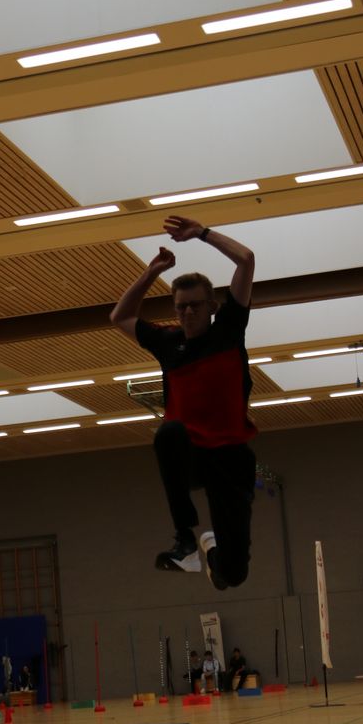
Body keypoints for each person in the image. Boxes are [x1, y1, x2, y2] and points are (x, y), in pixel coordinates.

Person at [110, 215, 257, 591]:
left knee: (233, 575)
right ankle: (186, 541)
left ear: (211, 306)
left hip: (231, 458)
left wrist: (202, 234)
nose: (187, 312)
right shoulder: (168, 342)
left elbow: (245, 259)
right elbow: (120, 316)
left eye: (195, 305)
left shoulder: (228, 330)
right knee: (168, 433)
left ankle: (211, 550)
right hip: (192, 453)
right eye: (180, 307)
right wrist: (150, 273)